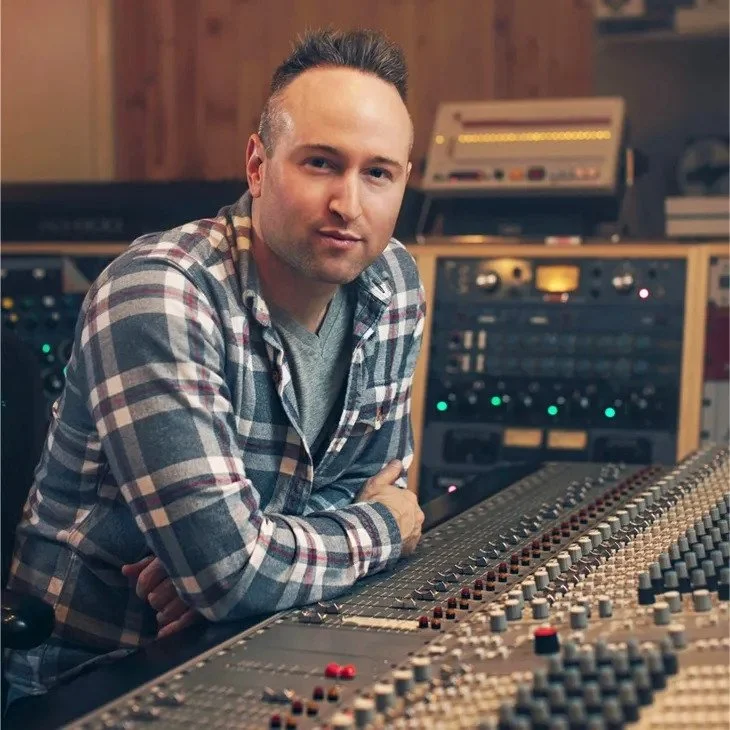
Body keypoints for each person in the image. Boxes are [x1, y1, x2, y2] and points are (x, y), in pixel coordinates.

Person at [4, 28, 425, 702]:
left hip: (271, 633)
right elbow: (241, 569)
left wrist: (242, 563)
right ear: (257, 166)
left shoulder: (393, 282)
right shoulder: (158, 294)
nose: (349, 204)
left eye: (378, 172)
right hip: (100, 676)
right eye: (320, 163)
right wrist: (387, 527)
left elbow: (358, 485)